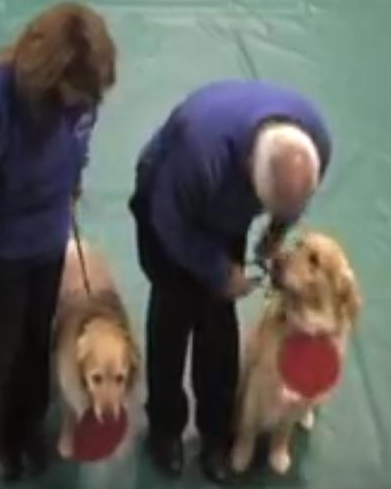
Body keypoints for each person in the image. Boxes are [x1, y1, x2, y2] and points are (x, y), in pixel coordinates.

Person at [0, 2, 116, 483]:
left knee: (40, 336)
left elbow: (78, 141)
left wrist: (73, 181)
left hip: (47, 239)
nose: (86, 104)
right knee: (5, 342)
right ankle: (1, 433)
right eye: (78, 93)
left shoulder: (82, 101)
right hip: (0, 252)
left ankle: (32, 421)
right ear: (48, 76)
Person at [129, 80, 332, 482]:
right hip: (168, 207)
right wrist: (219, 272)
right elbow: (171, 224)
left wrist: (275, 233)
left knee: (217, 321)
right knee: (172, 318)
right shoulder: (196, 154)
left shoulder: (314, 142)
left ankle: (216, 432)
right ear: (250, 172)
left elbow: (292, 199)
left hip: (225, 210)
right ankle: (165, 431)